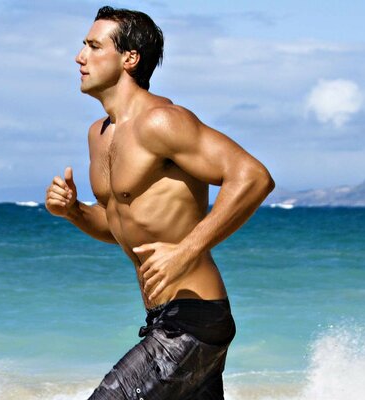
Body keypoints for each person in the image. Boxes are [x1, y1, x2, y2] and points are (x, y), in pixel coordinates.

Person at [45, 6, 274, 400]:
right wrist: (75, 212)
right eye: (83, 45)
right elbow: (122, 224)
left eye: (93, 46)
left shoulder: (162, 121)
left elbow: (253, 177)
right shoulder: (98, 135)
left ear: (129, 58)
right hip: (161, 318)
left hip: (194, 320)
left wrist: (186, 251)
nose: (79, 57)